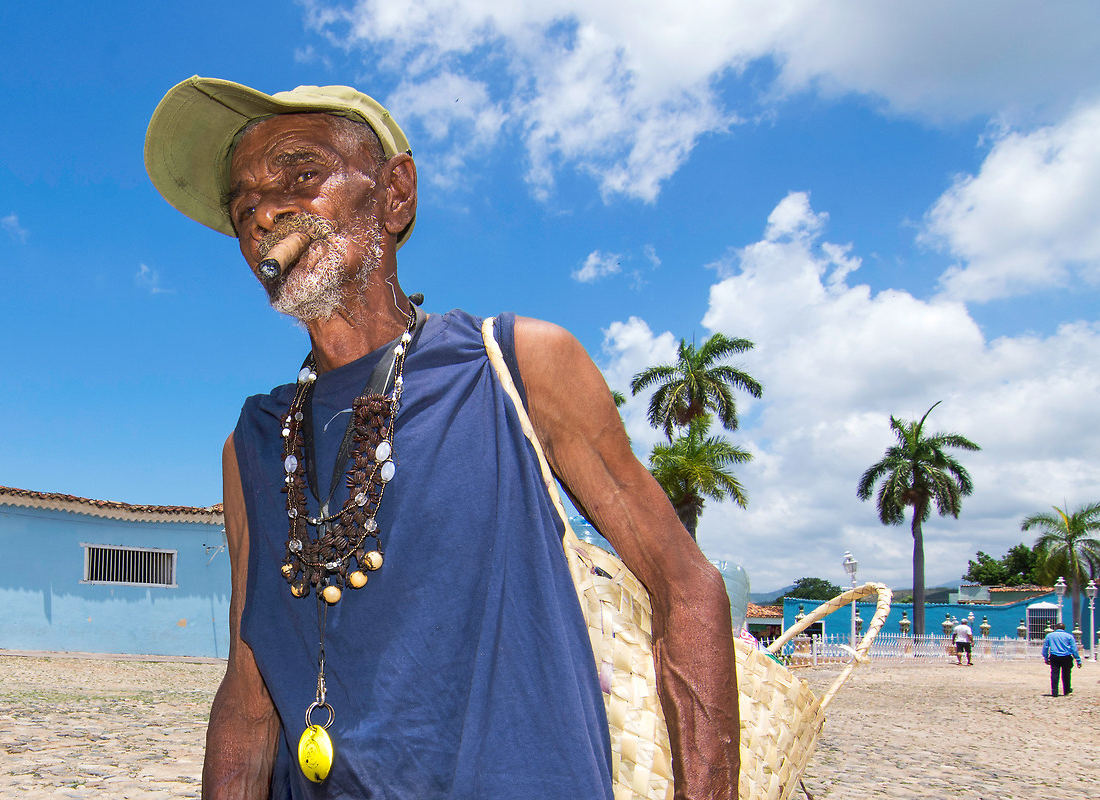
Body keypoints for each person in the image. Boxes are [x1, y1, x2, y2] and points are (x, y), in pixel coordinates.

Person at [145, 77, 740, 799]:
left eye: (302, 173)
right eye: (244, 208)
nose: (266, 212)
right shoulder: (254, 445)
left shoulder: (518, 368)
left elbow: (689, 589)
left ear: (396, 194)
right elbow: (248, 696)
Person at [1042, 622, 1082, 697]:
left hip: (1054, 656)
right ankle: (1066, 690)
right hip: (1066, 656)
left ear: (1056, 628)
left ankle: (1054, 691)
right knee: (1066, 674)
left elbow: (1045, 647)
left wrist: (1046, 658)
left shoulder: (1050, 636)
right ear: (1064, 629)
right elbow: (1074, 649)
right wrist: (1078, 660)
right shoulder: (1069, 636)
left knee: (1054, 674)